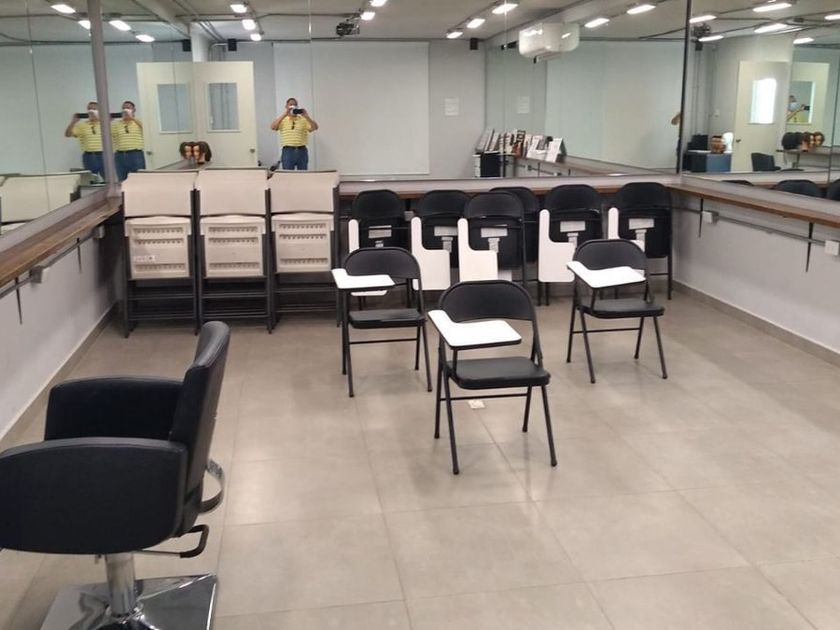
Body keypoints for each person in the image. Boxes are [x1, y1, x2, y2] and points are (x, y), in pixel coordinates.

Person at [270, 97, 318, 170]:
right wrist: (285, 114)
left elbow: (315, 127)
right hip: (288, 151)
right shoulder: (282, 120)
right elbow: (273, 127)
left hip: (302, 150)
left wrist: (307, 117)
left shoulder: (303, 119)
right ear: (286, 106)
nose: (293, 106)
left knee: (303, 174)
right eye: (291, 105)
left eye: (295, 105)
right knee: (288, 174)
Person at [64, 100, 104, 179]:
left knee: (109, 179)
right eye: (89, 109)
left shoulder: (105, 124)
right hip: (89, 156)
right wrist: (73, 122)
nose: (91, 111)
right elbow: (68, 134)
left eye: (94, 109)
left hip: (104, 155)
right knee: (91, 179)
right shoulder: (81, 125)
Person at [112, 100, 145, 181]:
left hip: (135, 155)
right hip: (120, 155)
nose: (125, 110)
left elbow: (146, 129)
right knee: (122, 180)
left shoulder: (138, 122)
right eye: (123, 108)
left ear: (134, 110)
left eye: (128, 108)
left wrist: (132, 118)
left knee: (139, 179)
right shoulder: (116, 124)